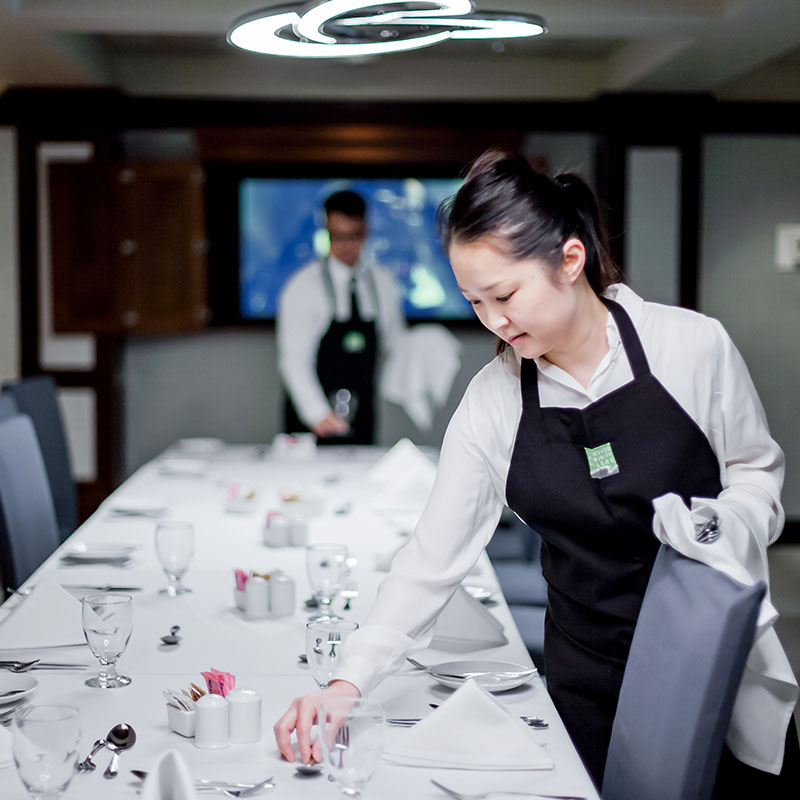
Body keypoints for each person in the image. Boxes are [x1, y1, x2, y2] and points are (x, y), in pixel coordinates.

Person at [274, 151, 799, 793]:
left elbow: (758, 472)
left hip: (711, 659)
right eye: (474, 302)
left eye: (505, 295)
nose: (493, 321)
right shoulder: (493, 402)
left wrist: (722, 523)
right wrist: (346, 681)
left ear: (570, 261)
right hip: (586, 673)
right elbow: (430, 561)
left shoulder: (691, 347)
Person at [277, 189, 405, 445]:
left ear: (366, 230)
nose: (346, 245)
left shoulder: (383, 283)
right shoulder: (303, 286)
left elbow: (395, 343)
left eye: (353, 236)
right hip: (311, 423)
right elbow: (293, 360)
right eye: (337, 236)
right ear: (326, 230)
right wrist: (317, 413)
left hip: (362, 417)